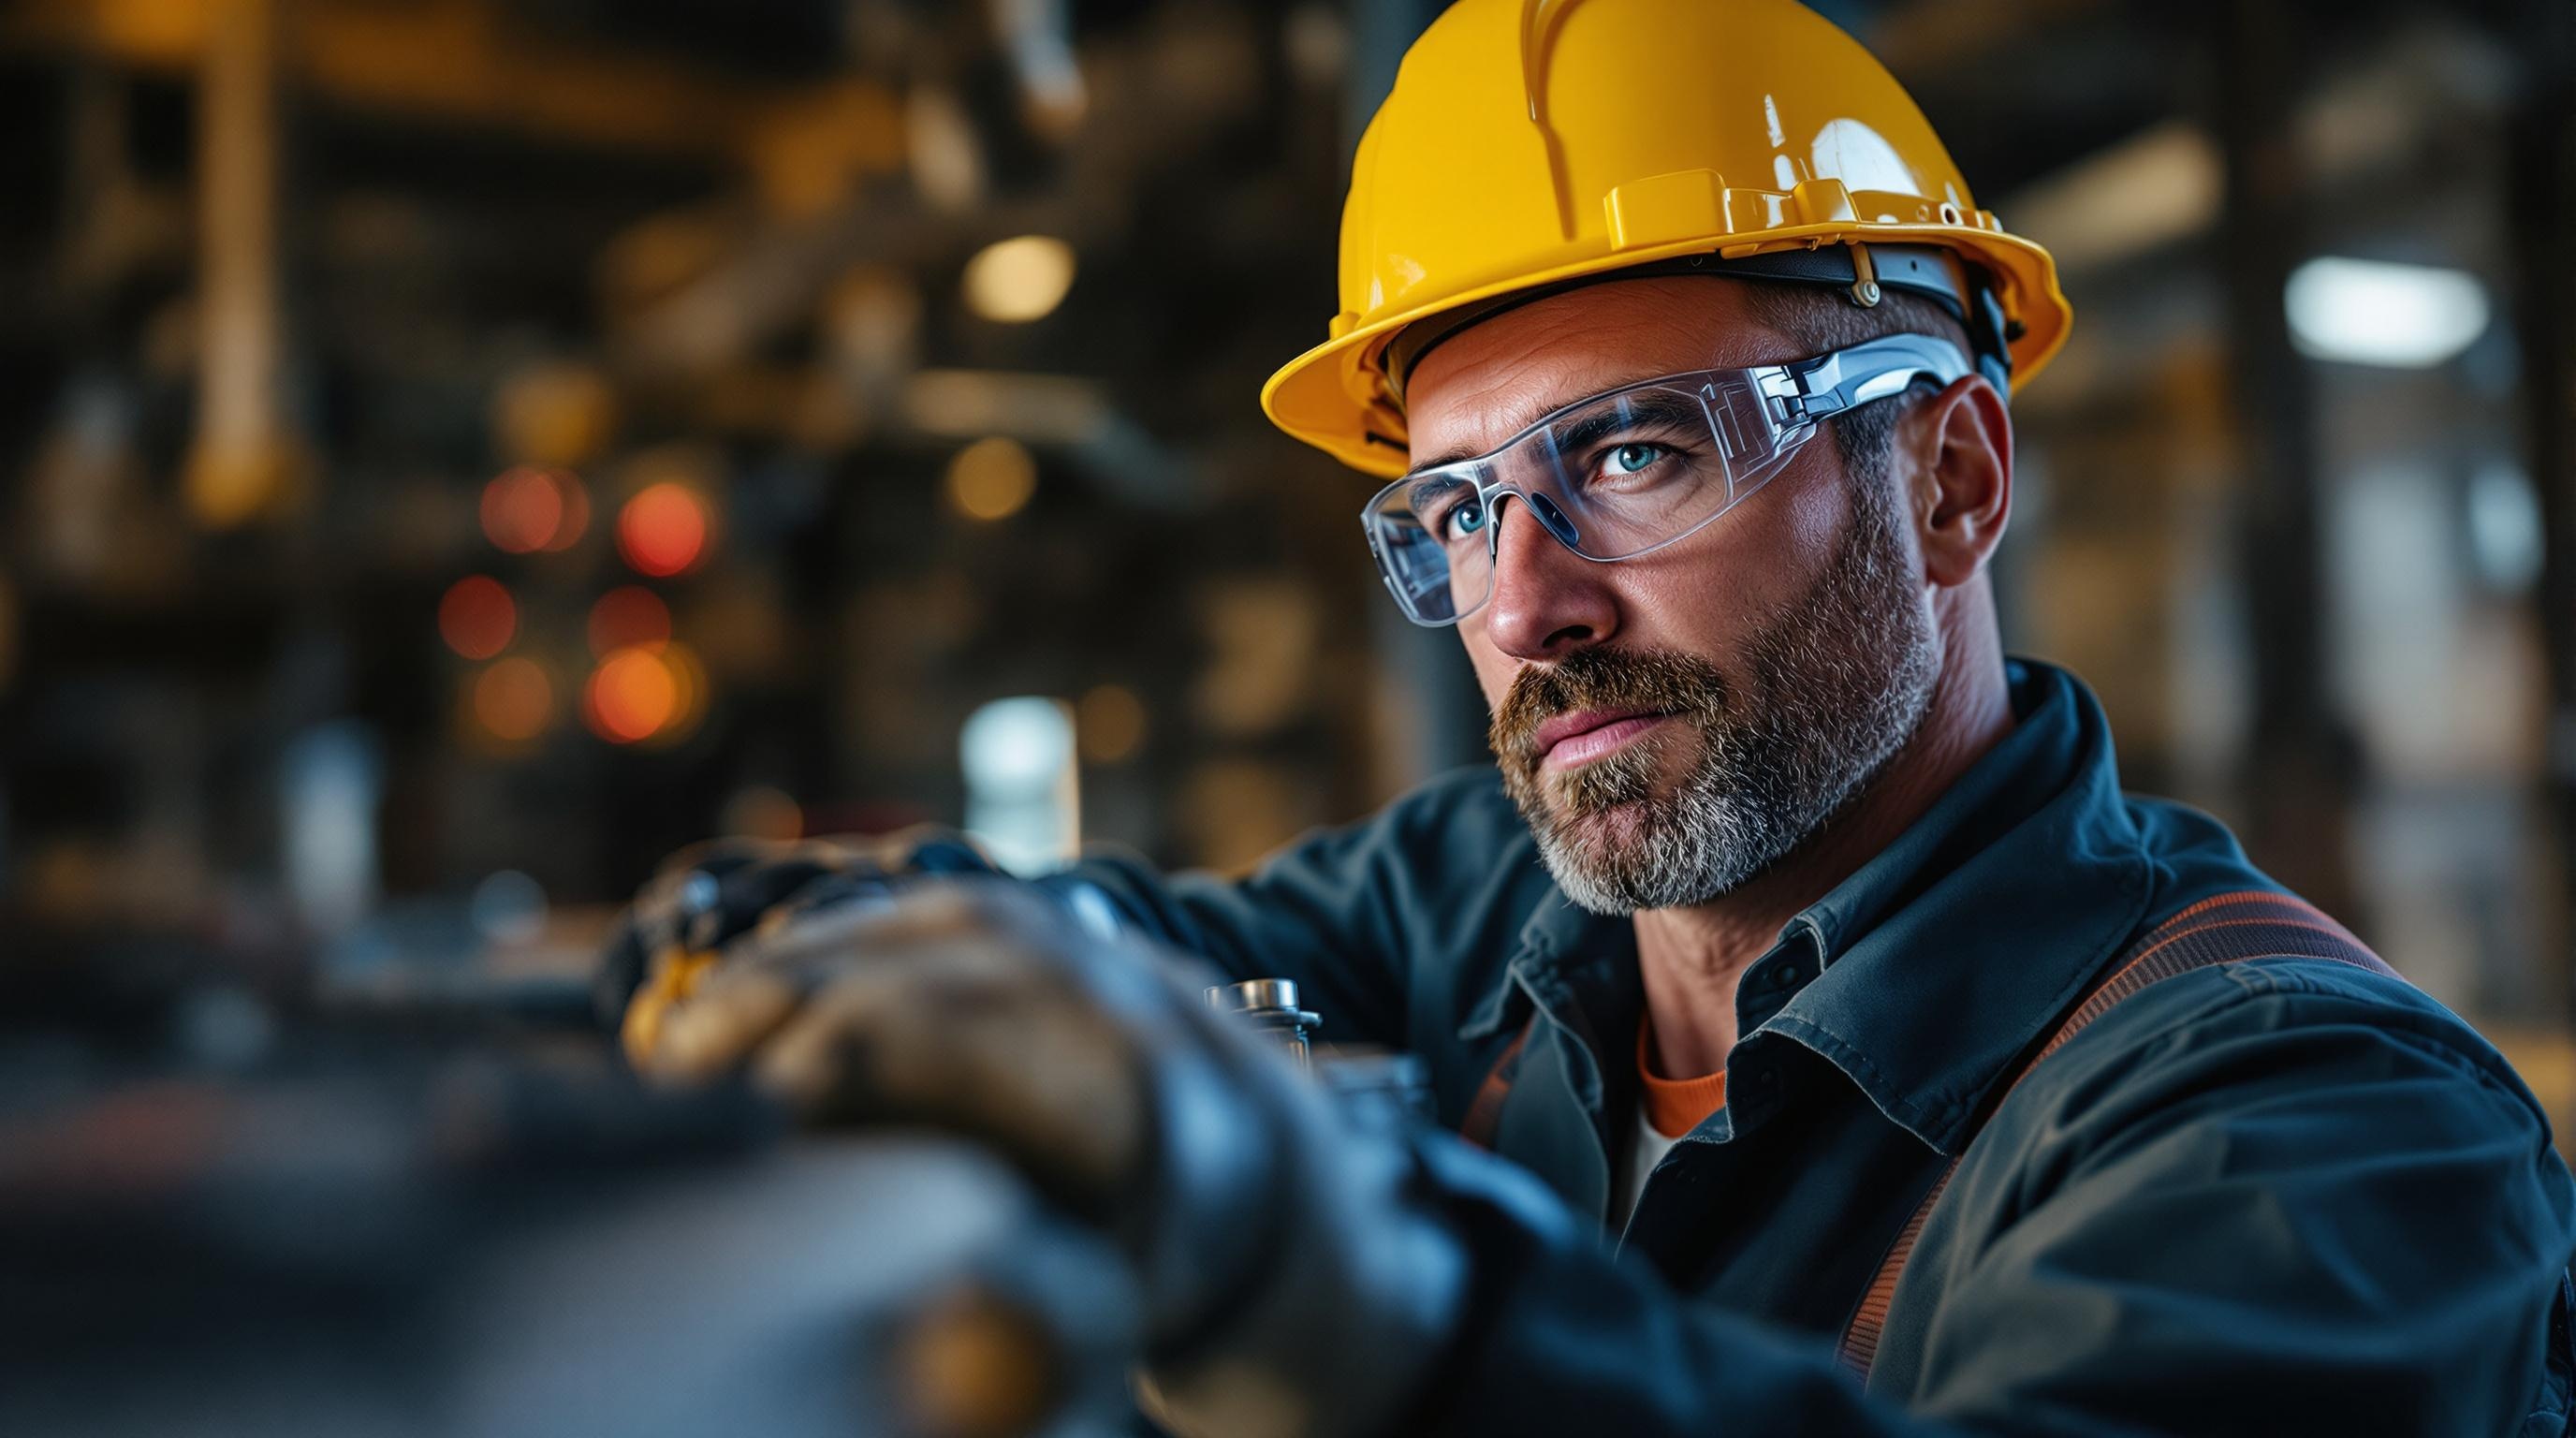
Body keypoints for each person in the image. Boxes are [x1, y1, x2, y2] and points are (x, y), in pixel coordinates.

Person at [613, 1, 2576, 1432]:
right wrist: (773, 957)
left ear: (1953, 478)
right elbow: (1048, 959)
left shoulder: (2312, 1132)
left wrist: (1348, 1297)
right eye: (1455, 507)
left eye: (1632, 456)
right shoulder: (1478, 914)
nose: (1520, 602)